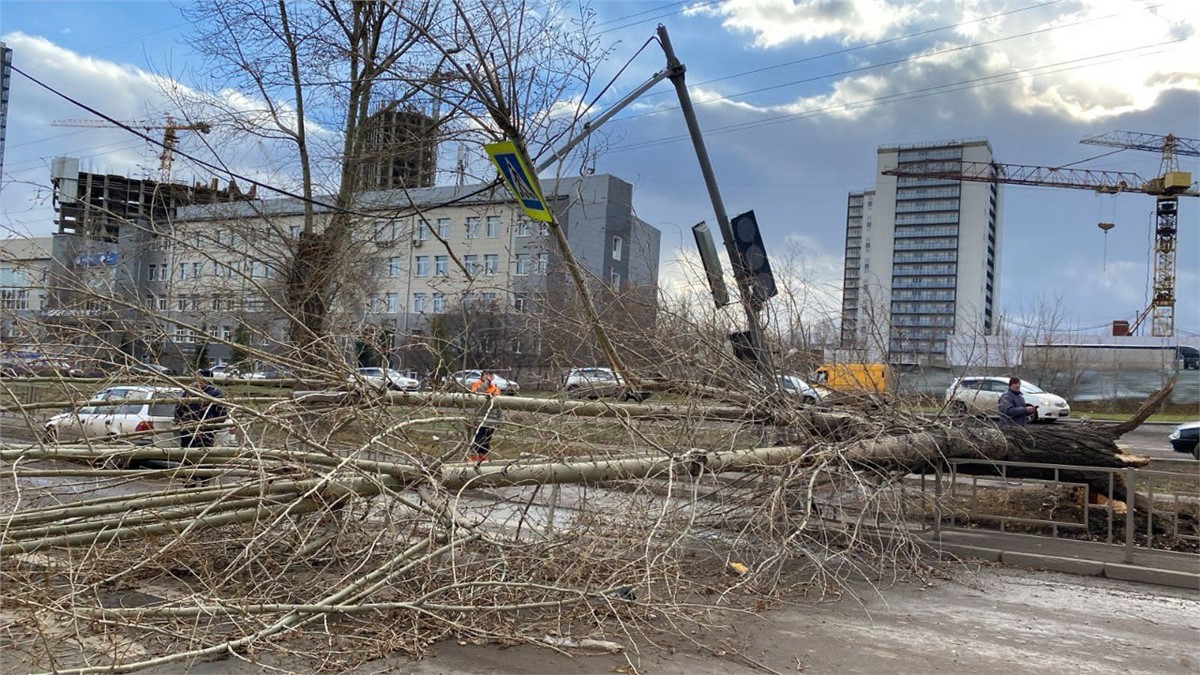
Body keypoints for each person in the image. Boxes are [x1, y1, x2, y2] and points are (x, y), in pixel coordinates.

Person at [176, 368, 228, 448]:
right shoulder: (189, 392)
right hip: (188, 427)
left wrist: (214, 426)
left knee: (204, 450)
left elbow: (222, 413)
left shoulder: (215, 393)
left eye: (200, 376)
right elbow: (179, 408)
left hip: (206, 428)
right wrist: (180, 421)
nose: (197, 380)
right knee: (187, 450)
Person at [468, 371, 501, 461]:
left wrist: (499, 418)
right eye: (486, 374)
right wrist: (486, 383)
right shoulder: (476, 385)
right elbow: (477, 393)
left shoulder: (495, 388)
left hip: (491, 420)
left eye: (490, 375)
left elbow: (499, 404)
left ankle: (482, 457)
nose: (488, 377)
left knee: (486, 441)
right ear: (482, 376)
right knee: (478, 439)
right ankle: (474, 457)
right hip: (480, 419)